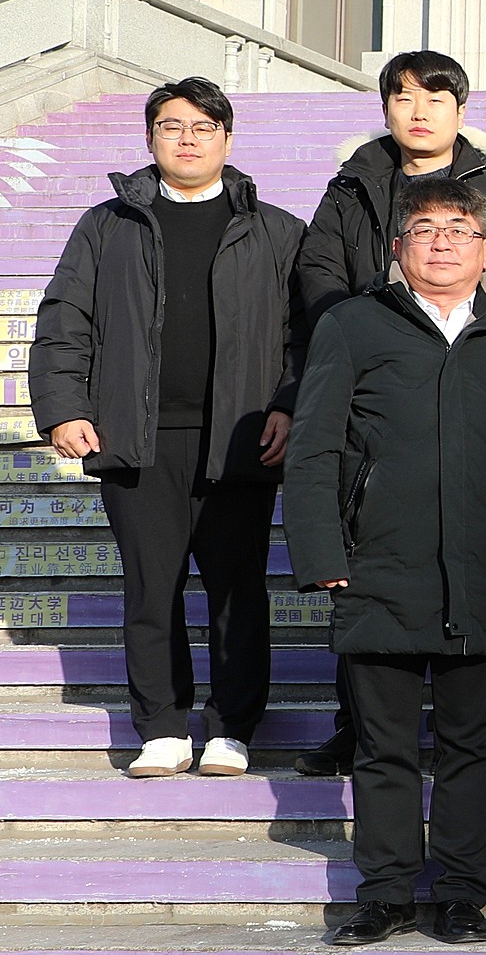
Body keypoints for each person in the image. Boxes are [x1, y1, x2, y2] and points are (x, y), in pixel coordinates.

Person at [284, 177, 486, 947]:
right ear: (399, 246)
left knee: (475, 745)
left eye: (459, 228)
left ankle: (462, 893)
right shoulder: (352, 325)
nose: (442, 240)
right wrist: (321, 551)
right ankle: (384, 891)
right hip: (379, 566)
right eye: (426, 228)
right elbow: (313, 448)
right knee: (384, 745)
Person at [33, 79, 301, 780]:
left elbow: (307, 333)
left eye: (204, 126)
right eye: (172, 125)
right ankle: (160, 726)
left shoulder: (275, 229)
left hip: (239, 438)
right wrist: (64, 407)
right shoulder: (107, 224)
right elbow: (66, 321)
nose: (188, 137)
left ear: (228, 139)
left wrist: (290, 403)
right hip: (137, 436)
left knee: (237, 587)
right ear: (150, 137)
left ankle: (232, 727)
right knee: (150, 588)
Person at [289, 49, 486, 779]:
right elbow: (318, 272)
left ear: (462, 110)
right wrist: (368, 334)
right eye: (402, 97)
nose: (418, 110)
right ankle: (354, 727)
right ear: (386, 108)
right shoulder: (353, 185)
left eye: (435, 98)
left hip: (464, 379)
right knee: (367, 576)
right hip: (370, 383)